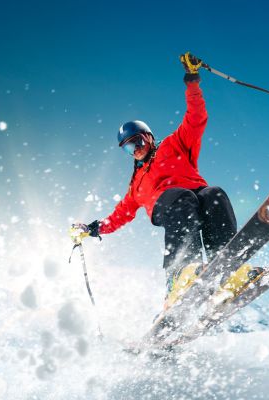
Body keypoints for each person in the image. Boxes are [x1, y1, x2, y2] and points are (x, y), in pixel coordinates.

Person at [75, 52, 237, 302]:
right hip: (170, 205)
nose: (136, 149)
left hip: (196, 196)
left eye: (137, 141)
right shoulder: (137, 184)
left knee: (214, 194)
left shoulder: (175, 144)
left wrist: (192, 81)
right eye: (128, 148)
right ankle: (180, 273)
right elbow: (120, 216)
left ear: (149, 136)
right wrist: (93, 228)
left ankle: (225, 267)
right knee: (181, 197)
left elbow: (195, 119)